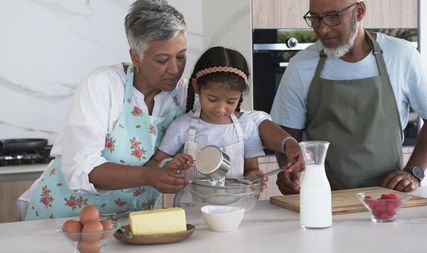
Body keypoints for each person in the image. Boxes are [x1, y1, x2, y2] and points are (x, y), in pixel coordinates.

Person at [18, 0, 303, 221]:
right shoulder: (104, 85)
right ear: (135, 56)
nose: (174, 69)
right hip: (65, 218)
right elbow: (81, 168)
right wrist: (148, 175)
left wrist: (287, 143)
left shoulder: (184, 93)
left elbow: (246, 122)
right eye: (162, 59)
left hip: (134, 222)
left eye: (180, 57)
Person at [271, 0, 427, 194]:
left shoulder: (401, 55)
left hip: (389, 199)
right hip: (326, 197)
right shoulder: (301, 66)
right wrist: (288, 171)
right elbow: (286, 137)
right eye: (315, 19)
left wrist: (413, 172)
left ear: (359, 12)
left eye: (333, 17)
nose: (322, 29)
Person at [150, 46, 267, 186]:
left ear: (240, 95)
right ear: (196, 87)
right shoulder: (182, 126)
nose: (220, 109)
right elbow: (155, 164)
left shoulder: (245, 125)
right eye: (212, 99)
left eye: (231, 101)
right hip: (191, 205)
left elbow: (251, 168)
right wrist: (170, 163)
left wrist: (255, 176)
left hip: (234, 205)